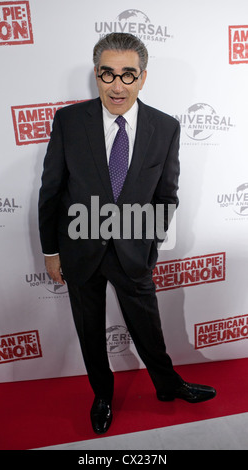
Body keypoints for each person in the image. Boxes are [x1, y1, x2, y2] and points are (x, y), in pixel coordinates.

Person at [38, 32, 216, 435]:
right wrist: (51, 252)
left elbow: (166, 195)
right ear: (96, 76)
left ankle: (168, 385)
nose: (117, 85)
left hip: (133, 252)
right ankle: (102, 395)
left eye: (127, 75)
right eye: (108, 74)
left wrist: (149, 243)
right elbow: (50, 191)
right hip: (79, 250)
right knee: (88, 329)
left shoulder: (165, 127)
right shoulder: (69, 121)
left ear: (142, 78)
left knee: (148, 326)